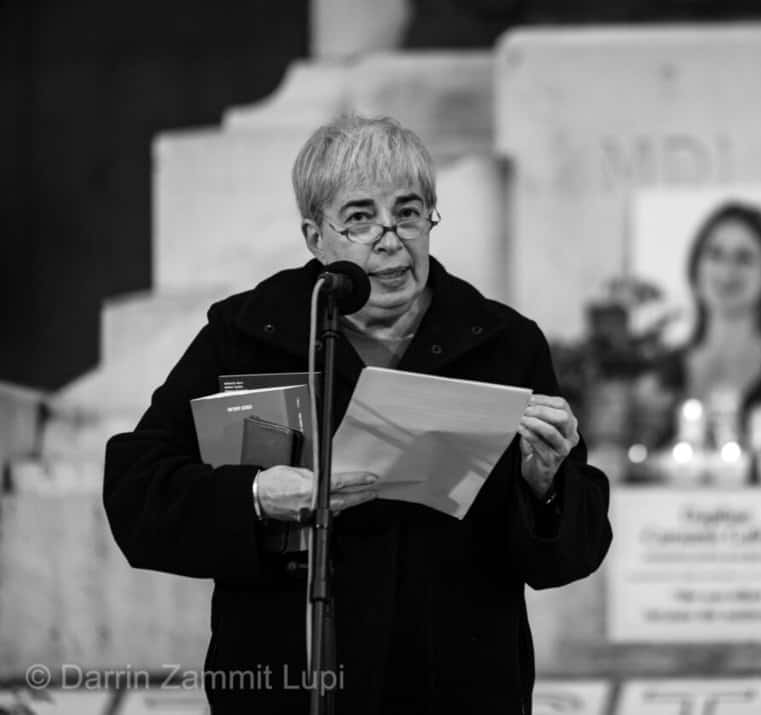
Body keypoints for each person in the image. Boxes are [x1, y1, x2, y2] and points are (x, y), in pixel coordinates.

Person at [103, 115, 612, 714]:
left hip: (456, 688)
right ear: (315, 237)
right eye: (360, 219)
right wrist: (258, 496)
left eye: (409, 212)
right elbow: (137, 488)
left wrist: (545, 484)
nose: (390, 239)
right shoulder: (246, 335)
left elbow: (572, 553)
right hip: (290, 684)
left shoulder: (503, 344)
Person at [632, 200, 761, 448]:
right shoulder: (663, 373)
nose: (727, 271)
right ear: (695, 269)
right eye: (715, 255)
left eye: (744, 258)